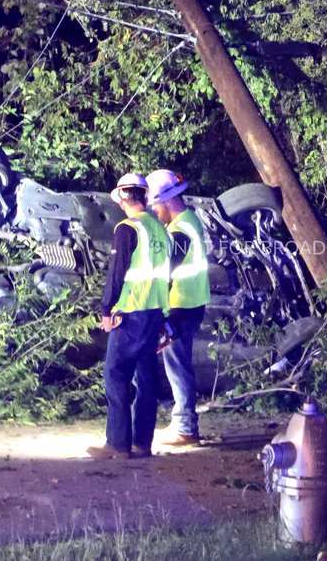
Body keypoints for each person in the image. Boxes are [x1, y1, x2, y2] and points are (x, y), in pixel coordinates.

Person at [87, 173, 171, 460]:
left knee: (116, 374)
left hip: (131, 311)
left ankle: (118, 443)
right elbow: (167, 276)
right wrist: (164, 318)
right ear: (145, 197)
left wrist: (107, 310)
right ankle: (142, 443)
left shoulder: (127, 228)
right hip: (154, 312)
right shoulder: (159, 229)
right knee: (147, 378)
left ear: (123, 198)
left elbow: (117, 272)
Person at [146, 169, 210, 446]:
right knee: (178, 364)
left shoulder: (180, 230)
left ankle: (185, 428)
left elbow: (168, 271)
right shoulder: (189, 221)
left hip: (181, 307)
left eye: (156, 206)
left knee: (177, 366)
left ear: (166, 201)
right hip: (191, 304)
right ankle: (182, 423)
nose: (155, 212)